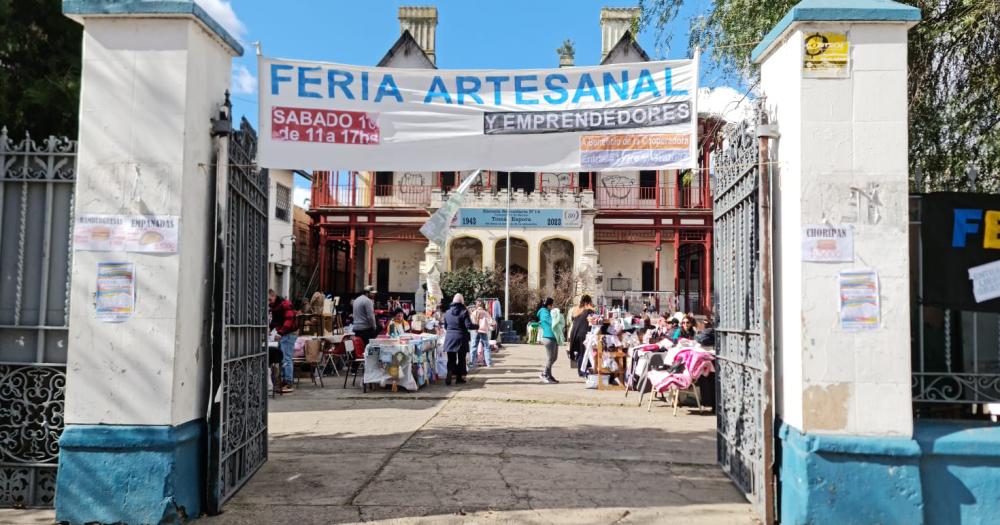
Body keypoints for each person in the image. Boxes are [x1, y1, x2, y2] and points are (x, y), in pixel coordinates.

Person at [443, 293, 476, 385]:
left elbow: (445, 326)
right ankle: (459, 378)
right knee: (461, 359)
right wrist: (477, 326)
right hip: (461, 338)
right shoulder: (464, 311)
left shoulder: (447, 312)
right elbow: (468, 325)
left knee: (451, 359)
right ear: (462, 301)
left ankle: (450, 372)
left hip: (450, 338)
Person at [269, 289, 297, 394]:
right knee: (284, 357)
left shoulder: (284, 304)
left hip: (288, 334)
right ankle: (285, 381)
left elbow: (289, 320)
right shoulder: (276, 306)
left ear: (274, 296)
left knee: (286, 358)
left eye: (270, 299)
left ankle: (288, 383)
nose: (269, 302)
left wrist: (280, 332)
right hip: (285, 333)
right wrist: (271, 328)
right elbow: (276, 321)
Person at [568, 295, 595, 372]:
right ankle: (582, 371)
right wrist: (591, 308)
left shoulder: (576, 309)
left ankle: (580, 371)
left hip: (575, 332)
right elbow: (593, 318)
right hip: (583, 333)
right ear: (588, 302)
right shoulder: (588, 310)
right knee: (583, 352)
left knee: (580, 352)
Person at [537, 297, 558, 384]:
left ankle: (549, 374)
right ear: (548, 305)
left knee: (554, 357)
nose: (552, 307)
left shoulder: (547, 312)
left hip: (553, 337)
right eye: (551, 305)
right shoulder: (543, 312)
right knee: (550, 358)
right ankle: (545, 374)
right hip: (548, 337)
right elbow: (551, 322)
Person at [470, 300, 494, 368]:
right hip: (483, 331)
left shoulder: (474, 312)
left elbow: (471, 322)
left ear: (476, 305)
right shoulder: (486, 313)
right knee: (486, 347)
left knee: (474, 347)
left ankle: (472, 363)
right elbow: (491, 322)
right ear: (483, 305)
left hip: (475, 331)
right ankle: (489, 363)